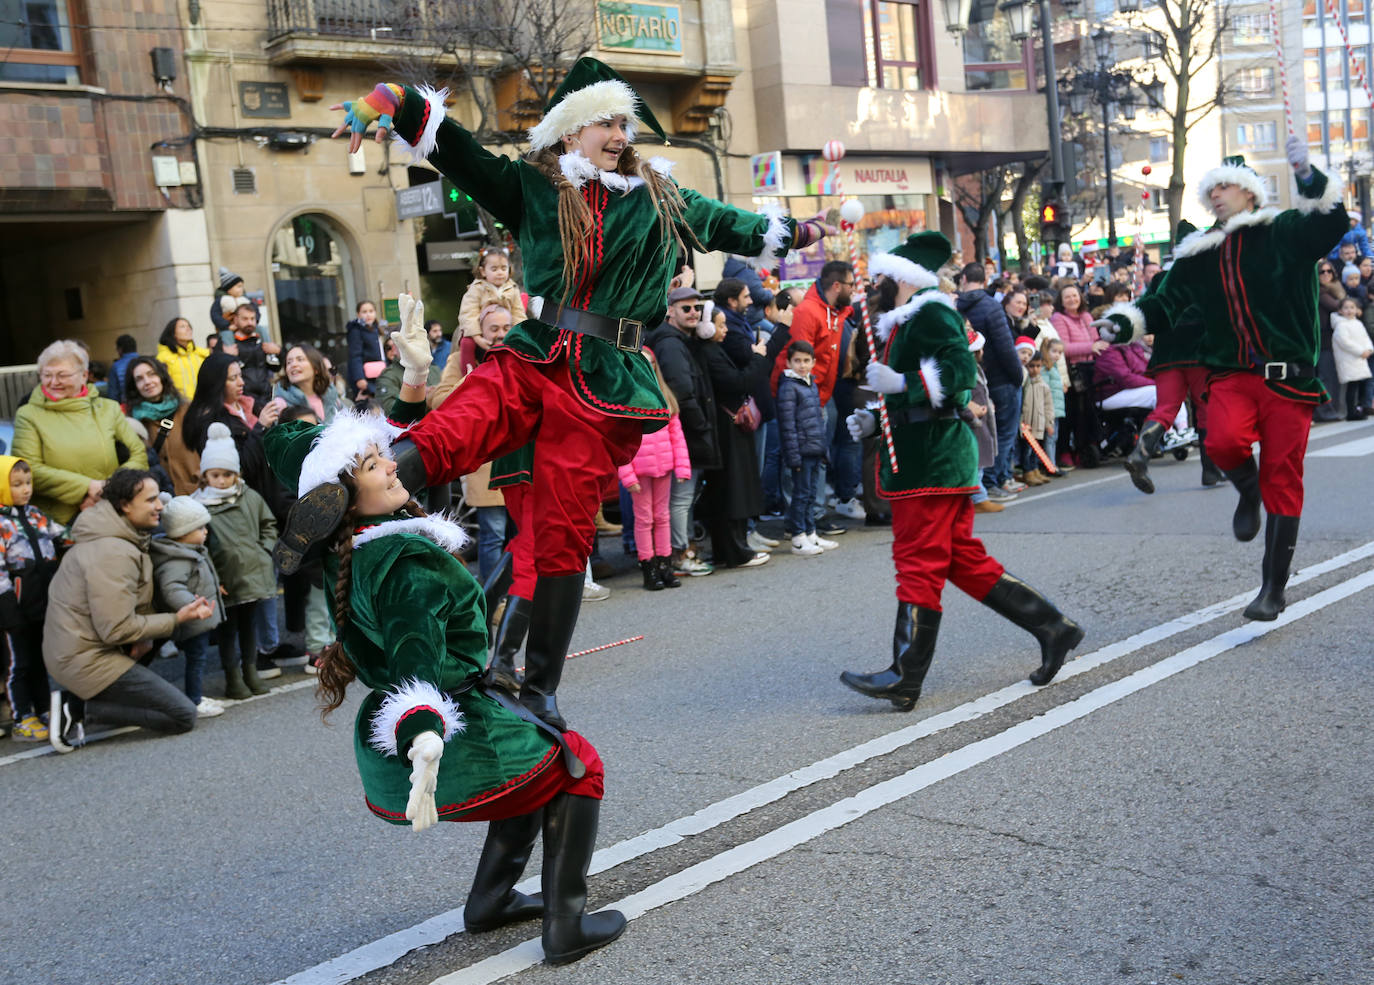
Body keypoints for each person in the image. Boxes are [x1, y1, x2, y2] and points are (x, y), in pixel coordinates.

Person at [308, 58, 823, 730]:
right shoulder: (533, 186)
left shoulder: (659, 194)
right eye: (607, 122)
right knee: (455, 426)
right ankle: (347, 503)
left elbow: (729, 224)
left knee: (560, 538)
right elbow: (463, 155)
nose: (621, 133)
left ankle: (538, 685)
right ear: (571, 131)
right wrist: (395, 101)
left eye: (624, 123)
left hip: (603, 385)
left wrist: (798, 231)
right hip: (538, 350)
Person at [262, 406, 626, 966]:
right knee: (578, 765)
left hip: (419, 715)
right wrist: (423, 731)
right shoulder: (406, 562)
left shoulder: (356, 549)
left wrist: (411, 387)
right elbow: (416, 655)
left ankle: (490, 902)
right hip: (437, 722)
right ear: (341, 498)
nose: (391, 464)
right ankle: (566, 925)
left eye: (382, 454)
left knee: (535, 770)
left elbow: (415, 451)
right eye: (372, 464)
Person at [1096, 142, 1348, 621]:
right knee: (1223, 443)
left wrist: (1306, 174)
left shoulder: (1284, 231)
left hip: (1289, 378)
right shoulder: (1200, 253)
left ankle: (1273, 588)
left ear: (1249, 193)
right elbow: (1165, 302)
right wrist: (1123, 322)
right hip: (1232, 374)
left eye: (1225, 186)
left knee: (1283, 478)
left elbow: (1331, 223)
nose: (1215, 194)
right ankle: (1248, 492)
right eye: (1211, 189)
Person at [842, 232, 1084, 712]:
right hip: (928, 455)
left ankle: (905, 676)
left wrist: (902, 383)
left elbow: (956, 378)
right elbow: (921, 396)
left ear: (902, 277)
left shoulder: (931, 312)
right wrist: (876, 418)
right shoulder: (910, 317)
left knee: (917, 560)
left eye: (880, 276)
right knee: (961, 561)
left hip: (930, 462)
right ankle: (1054, 627)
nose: (874, 284)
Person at [45, 468, 213, 752]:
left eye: (158, 498)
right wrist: (177, 618)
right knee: (183, 715)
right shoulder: (112, 552)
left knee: (160, 630)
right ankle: (78, 707)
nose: (159, 506)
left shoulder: (122, 537)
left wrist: (150, 633)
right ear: (125, 505)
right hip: (84, 658)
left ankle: (97, 699)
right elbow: (117, 629)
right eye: (150, 500)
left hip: (87, 646)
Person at [12, 340, 149, 525]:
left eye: (62, 375)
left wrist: (109, 489)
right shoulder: (28, 415)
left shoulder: (108, 408)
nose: (53, 382)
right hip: (61, 521)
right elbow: (28, 469)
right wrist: (87, 488)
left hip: (114, 508)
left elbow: (139, 453)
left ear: (84, 375)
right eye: (47, 375)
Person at [192, 423, 279, 699]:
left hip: (252, 572)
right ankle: (233, 677)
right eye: (215, 475)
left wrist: (264, 551)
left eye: (227, 474)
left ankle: (250, 671)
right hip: (224, 579)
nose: (221, 480)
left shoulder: (250, 497)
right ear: (205, 475)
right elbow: (197, 548)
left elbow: (268, 525)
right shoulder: (198, 506)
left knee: (249, 627)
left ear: (237, 474)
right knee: (227, 632)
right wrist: (211, 580)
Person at [769, 261, 854, 535]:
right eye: (851, 284)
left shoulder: (834, 311)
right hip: (804, 395)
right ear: (837, 286)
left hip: (821, 395)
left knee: (817, 457)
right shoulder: (808, 312)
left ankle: (813, 515)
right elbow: (796, 357)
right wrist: (803, 395)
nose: (854, 289)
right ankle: (799, 520)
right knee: (798, 460)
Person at [698, 307, 786, 568]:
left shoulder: (714, 350)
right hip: (726, 428)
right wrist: (758, 357)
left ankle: (732, 549)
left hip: (727, 426)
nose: (725, 330)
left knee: (733, 489)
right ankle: (736, 551)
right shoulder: (709, 352)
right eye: (720, 325)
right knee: (732, 490)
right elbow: (740, 382)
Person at [644, 286, 717, 578]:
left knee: (682, 497)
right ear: (671, 311)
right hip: (686, 433)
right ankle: (680, 551)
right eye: (686, 308)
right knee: (681, 497)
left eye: (697, 308)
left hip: (688, 432)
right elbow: (682, 392)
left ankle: (682, 549)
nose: (693, 313)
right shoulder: (671, 344)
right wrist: (701, 426)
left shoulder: (681, 340)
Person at [0, 456, 67, 741]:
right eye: (16, 484)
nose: (25, 489)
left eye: (28, 483)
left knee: (40, 660)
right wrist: (7, 608)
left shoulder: (36, 515)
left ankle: (43, 709)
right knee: (18, 664)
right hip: (14, 607)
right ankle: (21, 717)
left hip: (42, 601)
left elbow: (63, 535)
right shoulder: (2, 523)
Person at [617, 348, 690, 589]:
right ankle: (648, 567)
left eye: (651, 363)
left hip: (663, 467)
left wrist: (682, 467)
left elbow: (676, 435)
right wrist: (627, 475)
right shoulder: (626, 398)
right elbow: (620, 441)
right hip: (639, 471)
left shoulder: (665, 397)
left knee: (662, 516)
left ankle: (665, 565)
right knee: (644, 519)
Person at [150, 495, 227, 718]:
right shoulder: (177, 559)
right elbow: (172, 588)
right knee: (196, 660)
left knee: (198, 659)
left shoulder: (190, 551)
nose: (206, 532)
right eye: (200, 528)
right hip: (193, 620)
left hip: (199, 618)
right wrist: (192, 605)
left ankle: (196, 696)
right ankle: (194, 700)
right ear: (183, 532)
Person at [958, 262, 1023, 498]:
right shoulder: (991, 307)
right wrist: (1018, 376)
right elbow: (1006, 347)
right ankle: (995, 480)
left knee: (985, 433)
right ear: (984, 279)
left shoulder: (956, 307)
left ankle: (994, 479)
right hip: (1001, 377)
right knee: (1003, 433)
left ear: (963, 279)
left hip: (976, 377)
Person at [775, 339, 829, 556]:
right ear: (788, 363)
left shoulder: (810, 384)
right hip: (801, 451)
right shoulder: (789, 387)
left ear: (814, 362)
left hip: (815, 448)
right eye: (797, 361)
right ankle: (798, 537)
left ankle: (810, 533)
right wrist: (793, 457)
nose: (802, 365)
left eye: (806, 361)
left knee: (811, 494)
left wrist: (823, 449)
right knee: (800, 495)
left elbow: (817, 419)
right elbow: (787, 426)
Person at [123, 356, 201, 496]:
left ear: (161, 376)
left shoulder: (187, 410)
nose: (147, 382)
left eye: (151, 374)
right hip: (161, 499)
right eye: (139, 379)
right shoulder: (133, 423)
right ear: (134, 386)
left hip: (197, 492)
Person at [458, 246, 528, 347]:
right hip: (479, 331)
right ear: (483, 271)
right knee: (467, 343)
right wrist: (477, 337)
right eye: (494, 269)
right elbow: (469, 314)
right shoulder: (477, 288)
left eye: (503, 268)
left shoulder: (513, 289)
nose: (500, 273)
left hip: (505, 330)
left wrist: (519, 333)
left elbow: (518, 313)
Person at [226, 298, 281, 409]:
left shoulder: (262, 341)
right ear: (235, 320)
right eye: (245, 319)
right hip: (243, 400)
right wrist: (226, 356)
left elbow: (276, 367)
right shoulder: (228, 343)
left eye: (252, 319)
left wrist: (279, 352)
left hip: (266, 397)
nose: (250, 322)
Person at [274, 343, 343, 425]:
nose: (293, 365)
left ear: (316, 368)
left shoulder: (333, 398)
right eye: (289, 362)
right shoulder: (280, 404)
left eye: (300, 359)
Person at [1331, 295, 1374, 419]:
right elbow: (1345, 342)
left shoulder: (1357, 323)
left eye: (1352, 307)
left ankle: (1357, 409)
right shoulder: (1341, 325)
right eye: (1346, 308)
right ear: (1340, 311)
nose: (1349, 310)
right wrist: (1361, 351)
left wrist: (1369, 349)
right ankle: (1351, 412)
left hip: (1360, 359)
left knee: (1359, 385)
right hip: (1349, 360)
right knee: (1352, 387)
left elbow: (1365, 338)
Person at [156, 316, 209, 402]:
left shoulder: (201, 354)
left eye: (189, 326)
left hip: (203, 403)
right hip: (178, 405)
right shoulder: (163, 357)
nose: (188, 329)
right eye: (182, 327)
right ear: (173, 333)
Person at [346, 299, 387, 402]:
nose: (368, 315)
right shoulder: (356, 330)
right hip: (366, 377)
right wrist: (359, 378)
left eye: (371, 311)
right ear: (358, 314)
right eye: (364, 312)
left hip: (379, 374)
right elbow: (355, 356)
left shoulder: (376, 329)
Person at [108, 334, 140, 400]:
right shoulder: (146, 362)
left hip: (127, 404)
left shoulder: (116, 366)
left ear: (120, 349)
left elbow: (113, 394)